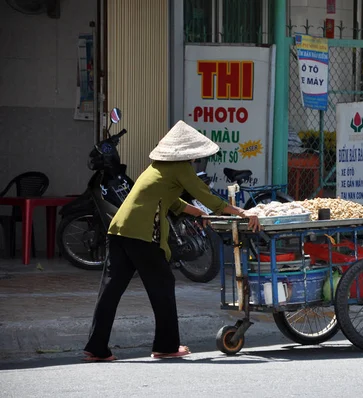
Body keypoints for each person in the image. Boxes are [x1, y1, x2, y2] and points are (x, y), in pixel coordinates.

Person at [83, 120, 260, 361]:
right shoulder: (180, 168)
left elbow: (170, 200)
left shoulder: (157, 167)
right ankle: (166, 346)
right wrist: (242, 212)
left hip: (119, 229)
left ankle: (96, 348)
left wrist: (197, 213)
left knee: (111, 291)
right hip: (142, 233)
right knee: (163, 285)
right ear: (189, 153)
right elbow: (205, 194)